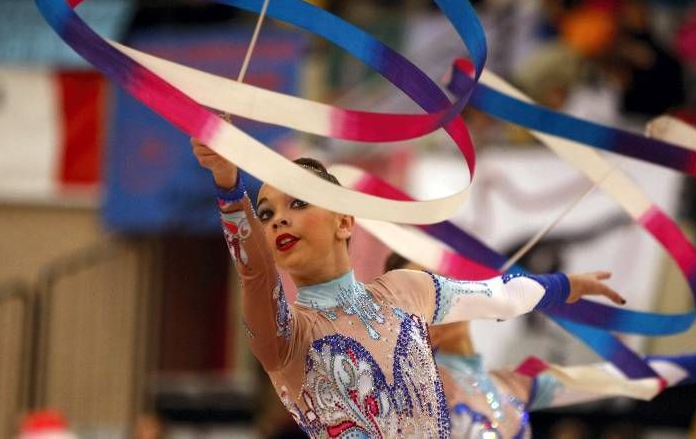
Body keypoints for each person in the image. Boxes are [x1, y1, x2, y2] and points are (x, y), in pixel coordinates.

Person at [190, 136, 625, 438]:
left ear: (345, 220)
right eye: (265, 215)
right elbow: (255, 274)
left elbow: (502, 296)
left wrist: (566, 284)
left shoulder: (404, 290)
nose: (278, 219)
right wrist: (230, 189)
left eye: (298, 203)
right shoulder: (286, 335)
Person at [384, 252, 696, 439]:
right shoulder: (414, 397)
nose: (438, 298)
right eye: (420, 297)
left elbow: (625, 378)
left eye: (437, 285)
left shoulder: (514, 385)